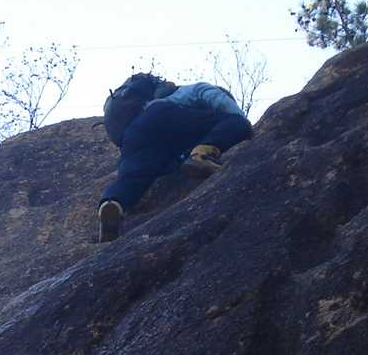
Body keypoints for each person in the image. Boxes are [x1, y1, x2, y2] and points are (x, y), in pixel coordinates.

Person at [97, 72, 253, 242]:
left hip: (135, 133)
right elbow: (226, 107)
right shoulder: (200, 89)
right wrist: (245, 125)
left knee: (134, 175)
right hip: (164, 115)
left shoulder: (147, 105)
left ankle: (113, 203)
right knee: (237, 123)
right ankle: (201, 155)